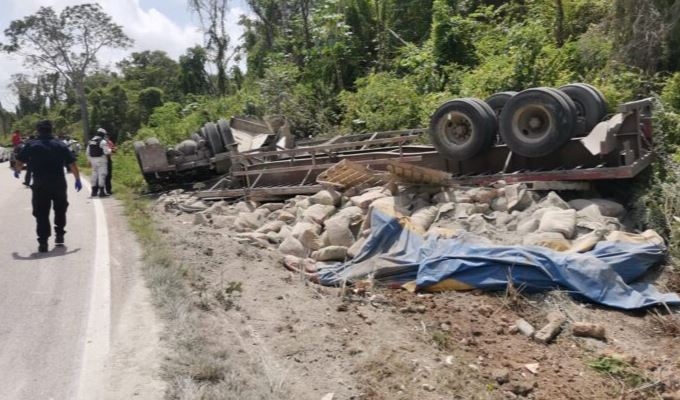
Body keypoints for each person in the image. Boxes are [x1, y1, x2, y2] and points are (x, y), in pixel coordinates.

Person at [13, 120, 82, 253]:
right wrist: (77, 179)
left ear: (38, 131)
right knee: (60, 209)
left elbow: (19, 161)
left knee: (41, 213)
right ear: (51, 130)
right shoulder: (60, 145)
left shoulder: (31, 145)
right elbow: (72, 164)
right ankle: (60, 235)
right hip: (58, 183)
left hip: (40, 184)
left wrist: (17, 170)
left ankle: (43, 242)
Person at [87, 128, 111, 197]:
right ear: (102, 134)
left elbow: (87, 153)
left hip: (93, 160)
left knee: (94, 174)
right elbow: (106, 152)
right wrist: (110, 150)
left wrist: (90, 160)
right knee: (102, 175)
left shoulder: (91, 141)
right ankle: (102, 192)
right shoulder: (103, 141)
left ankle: (93, 192)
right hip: (101, 160)